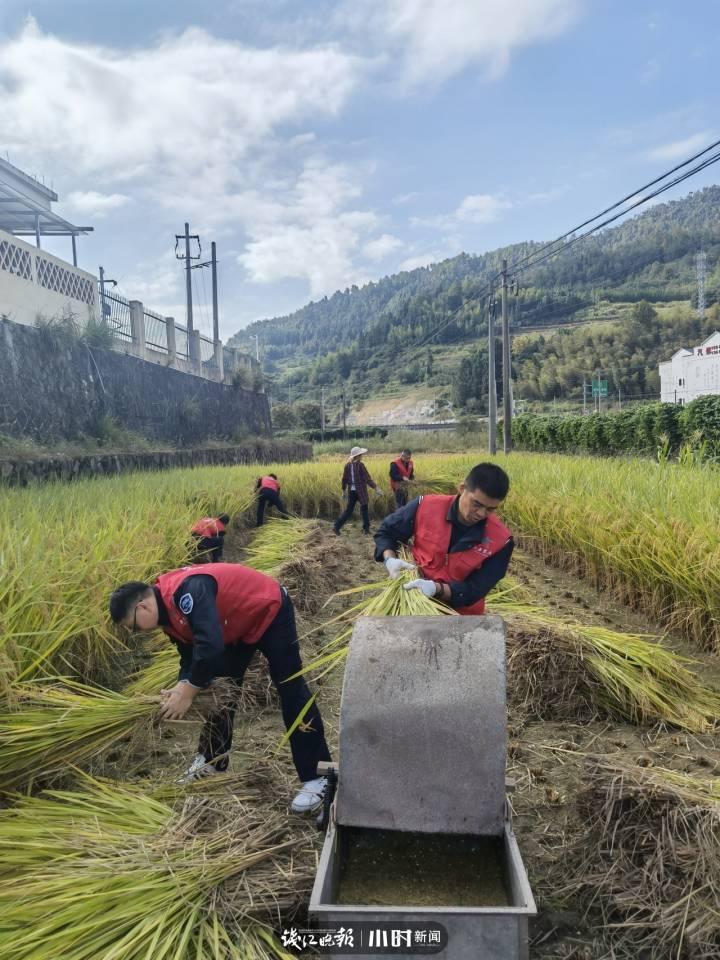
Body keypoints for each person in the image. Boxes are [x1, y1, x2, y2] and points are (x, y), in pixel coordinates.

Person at [109, 563, 331, 814]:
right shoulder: (166, 615)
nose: (137, 632)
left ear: (143, 607)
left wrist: (189, 691)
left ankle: (318, 776)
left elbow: (210, 647)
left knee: (290, 686)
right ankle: (213, 761)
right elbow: (190, 654)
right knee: (220, 689)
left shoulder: (188, 592)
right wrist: (183, 685)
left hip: (269, 611)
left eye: (134, 626)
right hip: (234, 625)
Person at [374, 462, 513, 613]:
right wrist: (390, 559)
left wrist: (436, 589)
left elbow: (476, 589)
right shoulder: (425, 506)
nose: (481, 513)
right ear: (462, 489)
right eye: (476, 504)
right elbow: (387, 531)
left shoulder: (502, 540)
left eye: (490, 509)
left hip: (460, 616)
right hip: (412, 602)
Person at [333, 446, 380, 536]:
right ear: (358, 456)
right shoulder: (360, 465)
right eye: (361, 454)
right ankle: (366, 530)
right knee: (364, 509)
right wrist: (376, 488)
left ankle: (336, 526)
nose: (362, 456)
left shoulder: (347, 465)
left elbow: (344, 479)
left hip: (352, 491)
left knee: (349, 510)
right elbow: (367, 478)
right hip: (361, 491)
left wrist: (343, 491)